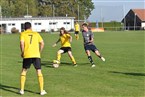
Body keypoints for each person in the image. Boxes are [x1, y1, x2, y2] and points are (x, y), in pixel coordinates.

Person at [19, 22, 47, 95]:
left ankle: (22, 90)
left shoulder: (23, 34)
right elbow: (42, 43)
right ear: (31, 27)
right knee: (39, 71)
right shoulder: (36, 34)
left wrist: (22, 52)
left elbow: (22, 43)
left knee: (24, 71)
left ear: (24, 28)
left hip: (27, 54)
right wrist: (39, 52)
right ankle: (41, 91)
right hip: (36, 55)